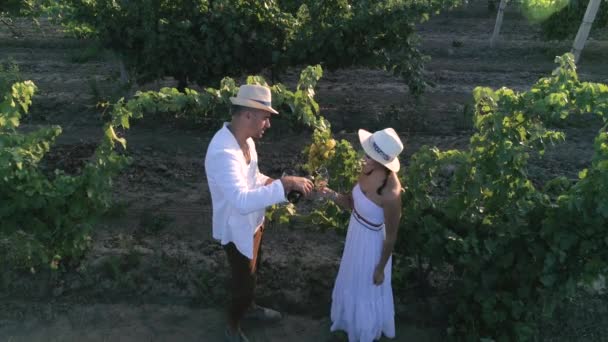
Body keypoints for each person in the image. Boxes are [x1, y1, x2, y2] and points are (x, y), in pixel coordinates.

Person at [204, 84, 314, 342]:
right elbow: (241, 200)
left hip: (254, 223)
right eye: (266, 117)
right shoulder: (223, 152)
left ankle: (250, 309)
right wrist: (285, 185)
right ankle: (232, 325)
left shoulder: (247, 143)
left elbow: (254, 178)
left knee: (252, 274)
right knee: (243, 284)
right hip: (236, 229)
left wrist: (286, 182)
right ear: (248, 115)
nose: (268, 124)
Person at [320, 127, 404, 342]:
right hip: (355, 235)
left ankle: (365, 332)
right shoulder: (367, 170)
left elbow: (391, 237)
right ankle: (349, 322)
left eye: (370, 155)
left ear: (383, 161)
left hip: (371, 245)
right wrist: (329, 194)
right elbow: (352, 202)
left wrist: (380, 268)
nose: (364, 157)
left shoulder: (391, 194)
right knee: (351, 280)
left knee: (367, 287)